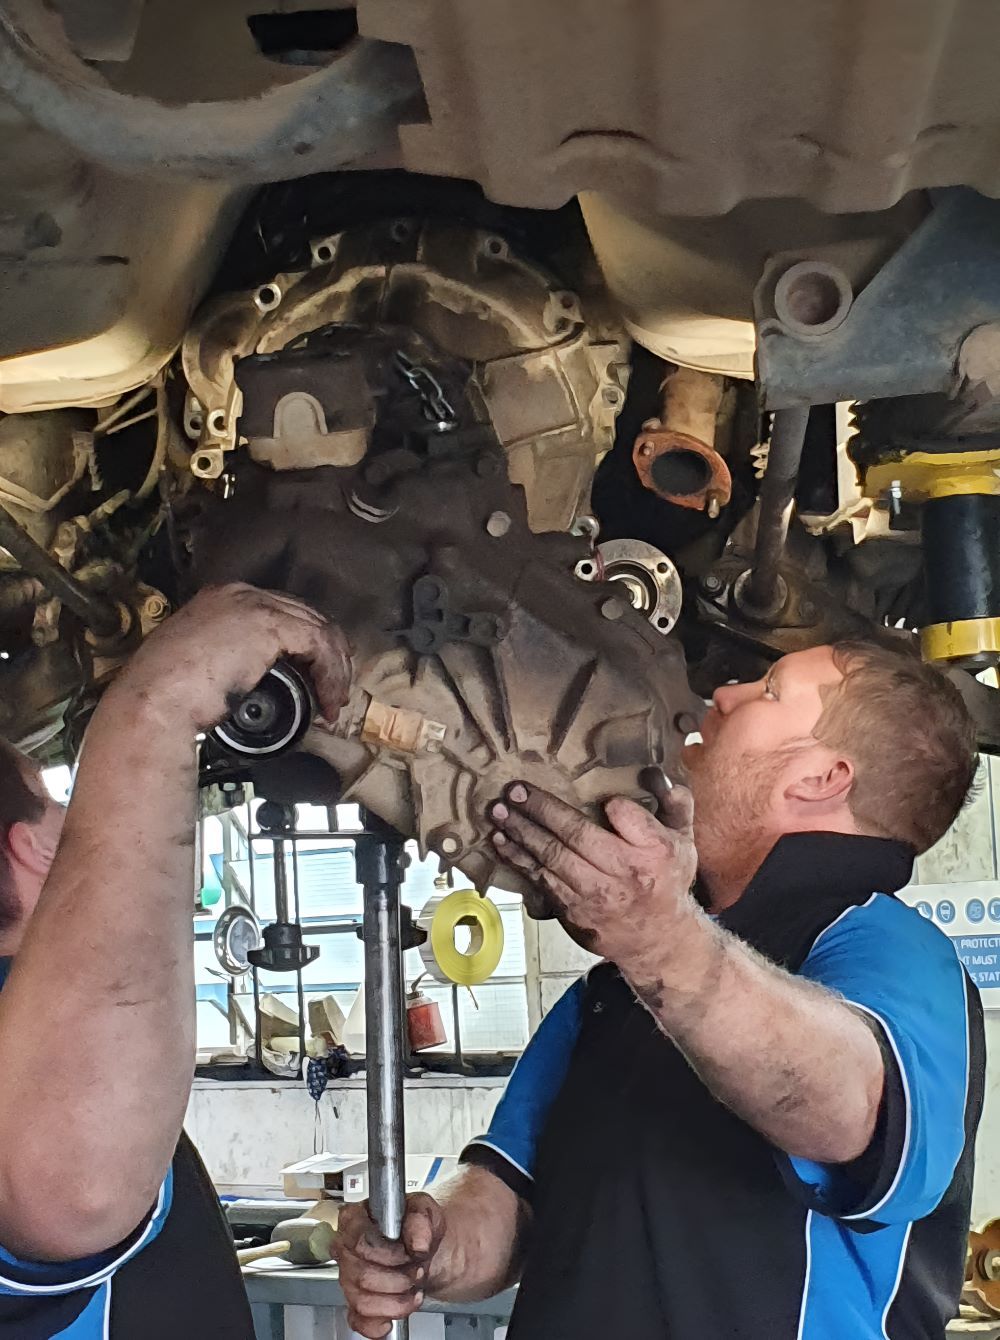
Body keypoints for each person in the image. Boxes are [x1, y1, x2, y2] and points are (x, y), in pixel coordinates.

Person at [336, 639, 986, 1340]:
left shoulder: (895, 951)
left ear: (821, 777)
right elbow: (512, 1201)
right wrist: (430, 1243)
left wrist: (660, 938)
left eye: (769, 691)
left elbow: (844, 1110)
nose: (725, 695)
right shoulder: (612, 990)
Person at [0, 583, 351, 1338]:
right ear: (31, 849)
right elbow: (78, 1194)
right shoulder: (43, 1054)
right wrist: (154, 709)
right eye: (55, 800)